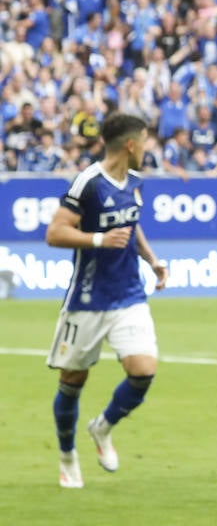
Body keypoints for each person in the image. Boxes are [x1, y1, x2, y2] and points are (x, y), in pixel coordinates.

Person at [44, 113, 169, 488]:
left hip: (129, 295)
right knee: (72, 380)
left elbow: (131, 226)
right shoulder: (88, 183)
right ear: (130, 144)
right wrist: (98, 239)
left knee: (144, 370)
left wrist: (152, 260)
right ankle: (67, 456)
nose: (148, 149)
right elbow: (55, 233)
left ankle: (102, 426)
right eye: (145, 142)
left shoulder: (135, 182)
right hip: (87, 300)